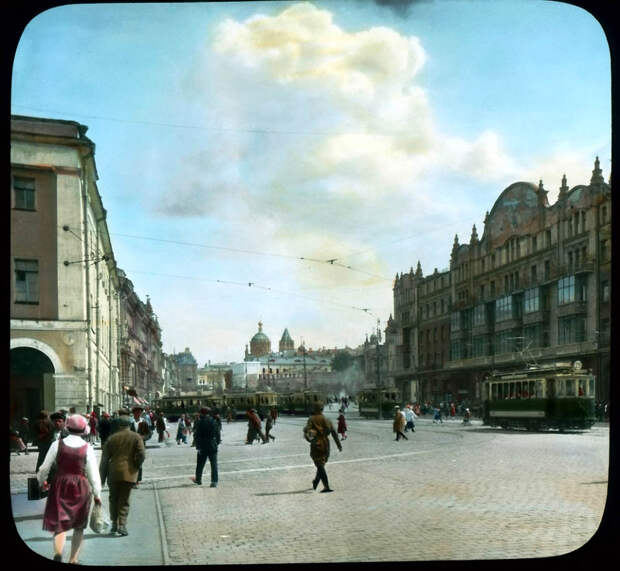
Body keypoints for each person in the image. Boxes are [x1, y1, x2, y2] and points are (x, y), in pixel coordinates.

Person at [37, 414, 102, 563]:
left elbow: (44, 468)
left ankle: (58, 553)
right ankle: (73, 559)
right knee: (79, 526)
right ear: (83, 430)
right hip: (81, 486)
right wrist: (97, 493)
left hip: (60, 484)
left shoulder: (57, 444)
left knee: (60, 524)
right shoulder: (87, 448)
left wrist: (42, 482)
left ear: (67, 427)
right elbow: (93, 474)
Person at [99, 412, 145, 536]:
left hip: (113, 472)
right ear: (130, 424)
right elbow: (141, 454)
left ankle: (114, 523)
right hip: (129, 472)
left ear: (118, 425)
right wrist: (136, 465)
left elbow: (104, 460)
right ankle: (122, 525)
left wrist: (101, 479)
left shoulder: (111, 438)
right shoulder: (136, 437)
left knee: (113, 498)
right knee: (124, 499)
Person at [303, 401, 342, 493]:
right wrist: (339, 445)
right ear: (322, 409)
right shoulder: (327, 420)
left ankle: (326, 486)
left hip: (316, 443)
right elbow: (334, 434)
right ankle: (316, 481)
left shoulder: (311, 419)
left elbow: (307, 432)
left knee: (319, 465)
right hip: (326, 444)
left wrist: (309, 439)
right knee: (322, 464)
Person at [191, 407, 221, 487]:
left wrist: (198, 446)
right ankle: (214, 481)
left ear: (202, 413)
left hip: (203, 445)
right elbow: (218, 434)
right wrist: (216, 443)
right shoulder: (213, 421)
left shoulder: (199, 422)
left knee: (200, 464)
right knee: (214, 464)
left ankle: (198, 480)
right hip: (212, 444)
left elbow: (197, 436)